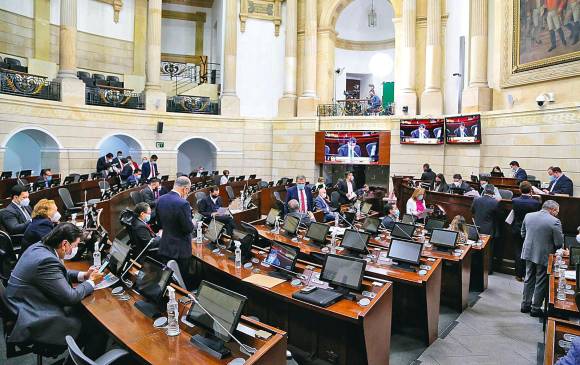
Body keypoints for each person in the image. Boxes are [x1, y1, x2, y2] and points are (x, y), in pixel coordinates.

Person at [6, 223, 106, 360]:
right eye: (75, 245)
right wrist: (91, 282)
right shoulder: (46, 260)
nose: (75, 249)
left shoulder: (39, 248)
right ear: (65, 244)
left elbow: (58, 272)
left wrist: (83, 275)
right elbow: (70, 297)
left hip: (24, 303)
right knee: (98, 330)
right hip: (34, 315)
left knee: (86, 317)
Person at [521, 200, 563, 317]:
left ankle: (525, 305)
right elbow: (559, 243)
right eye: (557, 212)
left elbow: (523, 233)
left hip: (528, 252)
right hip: (543, 255)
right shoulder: (555, 222)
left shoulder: (528, 216)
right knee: (540, 281)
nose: (557, 214)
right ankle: (535, 309)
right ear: (552, 210)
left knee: (529, 277)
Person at [156, 176, 194, 289]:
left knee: (169, 281)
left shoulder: (161, 199)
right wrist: (193, 223)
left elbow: (159, 223)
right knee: (182, 282)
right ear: (185, 189)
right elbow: (188, 228)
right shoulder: (183, 203)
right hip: (180, 250)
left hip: (165, 246)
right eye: (188, 190)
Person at [511, 181, 542, 281]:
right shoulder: (536, 203)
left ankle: (518, 275)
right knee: (528, 252)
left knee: (518, 251)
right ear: (531, 190)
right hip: (530, 230)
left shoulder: (515, 200)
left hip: (517, 228)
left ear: (520, 190)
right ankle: (526, 274)